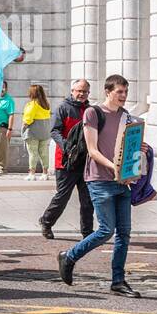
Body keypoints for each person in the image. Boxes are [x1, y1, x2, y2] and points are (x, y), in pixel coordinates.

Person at [57, 74, 140, 298]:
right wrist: (115, 167)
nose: (123, 96)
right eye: (119, 92)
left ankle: (118, 280)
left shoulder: (126, 115)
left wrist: (135, 162)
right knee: (105, 230)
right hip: (99, 179)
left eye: (125, 92)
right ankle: (69, 256)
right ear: (107, 92)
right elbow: (93, 150)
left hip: (122, 181)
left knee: (124, 233)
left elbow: (129, 146)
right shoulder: (93, 113)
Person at [39, 78, 95, 240]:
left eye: (85, 91)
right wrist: (67, 148)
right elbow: (55, 131)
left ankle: (87, 232)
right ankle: (46, 222)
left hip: (85, 161)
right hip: (66, 162)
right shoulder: (63, 108)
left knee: (87, 199)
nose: (82, 94)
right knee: (62, 196)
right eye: (79, 90)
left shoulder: (91, 110)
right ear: (72, 91)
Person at [22, 83, 52, 180]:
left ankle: (32, 174)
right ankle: (45, 173)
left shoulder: (32, 104)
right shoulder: (46, 104)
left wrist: (24, 127)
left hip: (33, 131)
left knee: (33, 153)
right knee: (44, 153)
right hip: (45, 131)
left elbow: (28, 118)